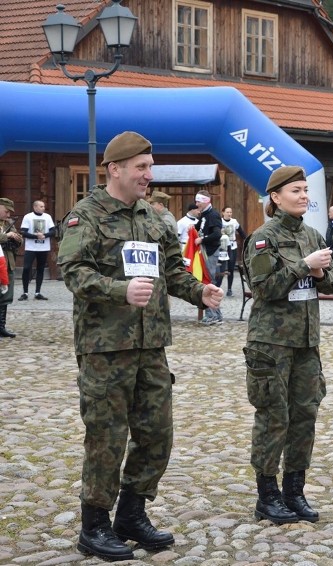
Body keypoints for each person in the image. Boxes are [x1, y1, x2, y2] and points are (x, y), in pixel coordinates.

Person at [56, 131, 223, 561]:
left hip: (151, 346)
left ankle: (131, 513)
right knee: (106, 437)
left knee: (156, 435)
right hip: (105, 347)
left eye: (150, 167)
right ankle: (94, 525)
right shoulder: (86, 216)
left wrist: (199, 291)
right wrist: (119, 291)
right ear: (115, 169)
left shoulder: (153, 218)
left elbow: (173, 270)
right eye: (142, 168)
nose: (149, 175)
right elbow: (73, 271)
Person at [243, 165, 333, 526]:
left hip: (305, 343)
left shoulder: (313, 236)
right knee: (273, 417)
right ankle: (267, 495)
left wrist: (319, 272)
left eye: (304, 190)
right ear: (276, 197)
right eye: (295, 191)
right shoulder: (263, 238)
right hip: (271, 343)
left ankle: (294, 490)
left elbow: (330, 285)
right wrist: (303, 266)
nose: (303, 196)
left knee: (305, 416)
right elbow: (264, 288)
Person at [194, 189, 224, 324]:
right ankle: (216, 315)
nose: (196, 204)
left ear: (206, 202)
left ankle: (212, 315)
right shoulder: (204, 214)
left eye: (198, 201)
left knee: (208, 282)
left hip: (210, 251)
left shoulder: (213, 215)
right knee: (206, 281)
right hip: (204, 251)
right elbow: (199, 228)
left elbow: (217, 234)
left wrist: (203, 239)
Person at [19, 199, 56, 301]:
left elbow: (53, 231)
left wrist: (44, 235)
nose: (43, 208)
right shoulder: (28, 217)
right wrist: (36, 237)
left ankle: (37, 292)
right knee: (26, 268)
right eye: (41, 206)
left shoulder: (47, 217)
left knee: (40, 269)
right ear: (35, 207)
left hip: (43, 247)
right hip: (31, 248)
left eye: (43, 206)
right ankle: (25, 292)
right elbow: (23, 232)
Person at [0, 197, 22, 338]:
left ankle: (1, 327)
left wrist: (16, 238)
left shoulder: (8, 223)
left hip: (8, 264)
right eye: (6, 211)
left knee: (6, 297)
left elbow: (19, 238)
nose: (8, 215)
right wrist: (6, 235)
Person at [221, 206, 247, 297]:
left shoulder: (234, 222)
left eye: (230, 212)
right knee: (220, 268)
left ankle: (229, 289)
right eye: (227, 212)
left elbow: (241, 232)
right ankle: (217, 287)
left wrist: (248, 240)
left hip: (232, 247)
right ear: (223, 213)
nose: (229, 214)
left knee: (231, 269)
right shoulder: (219, 222)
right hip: (222, 248)